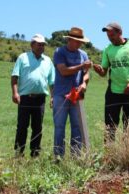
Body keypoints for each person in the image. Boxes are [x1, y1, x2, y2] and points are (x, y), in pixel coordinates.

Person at [93, 22, 129, 142]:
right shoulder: (107, 50)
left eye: (112, 35)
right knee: (109, 125)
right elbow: (104, 72)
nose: (110, 38)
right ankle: (109, 156)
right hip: (113, 92)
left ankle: (126, 155)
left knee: (128, 125)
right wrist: (99, 70)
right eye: (108, 36)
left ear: (120, 33)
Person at [11, 34, 55, 157]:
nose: (41, 46)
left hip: (40, 99)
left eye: (43, 44)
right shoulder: (23, 57)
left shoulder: (48, 61)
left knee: (37, 127)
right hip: (24, 97)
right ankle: (19, 153)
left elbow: (52, 81)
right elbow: (15, 76)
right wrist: (15, 93)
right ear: (32, 45)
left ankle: (35, 153)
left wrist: (53, 97)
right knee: (22, 126)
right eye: (39, 44)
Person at [53, 27, 92, 158]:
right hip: (60, 95)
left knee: (77, 127)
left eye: (80, 41)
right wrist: (81, 66)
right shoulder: (59, 52)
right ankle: (59, 157)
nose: (79, 43)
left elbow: (87, 74)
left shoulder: (83, 54)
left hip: (77, 95)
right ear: (69, 39)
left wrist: (84, 83)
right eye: (76, 41)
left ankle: (75, 156)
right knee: (59, 127)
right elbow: (63, 71)